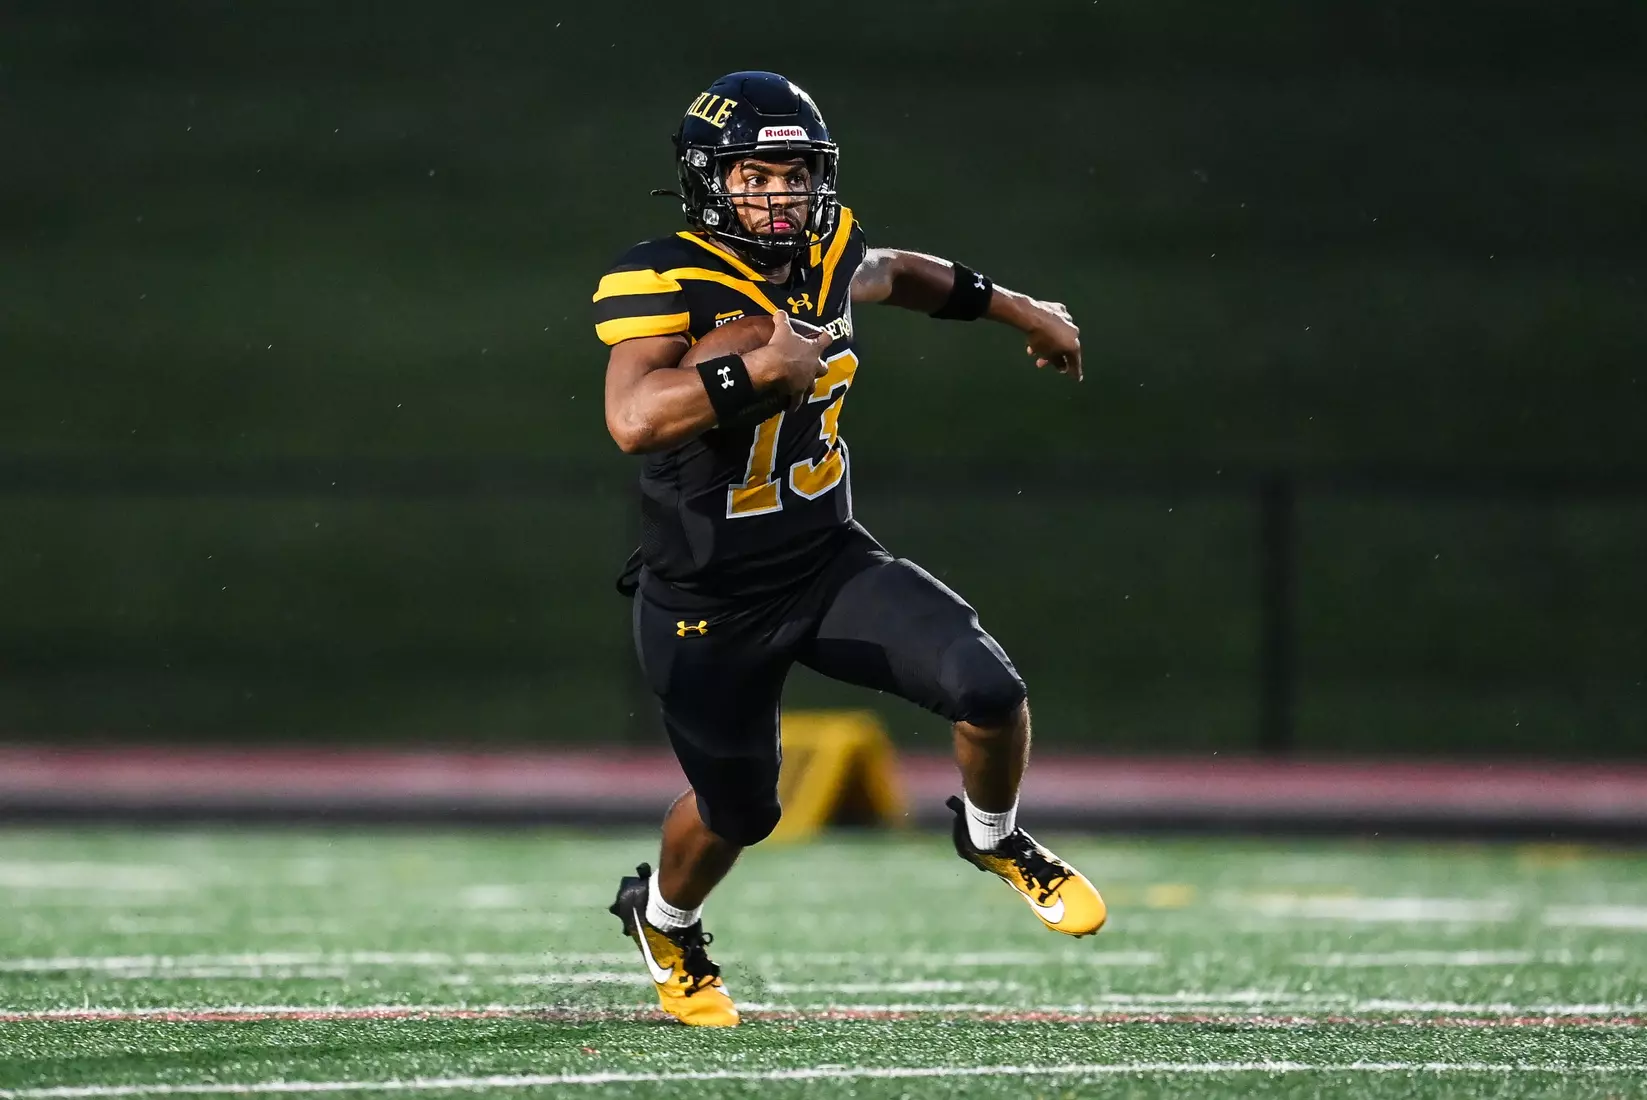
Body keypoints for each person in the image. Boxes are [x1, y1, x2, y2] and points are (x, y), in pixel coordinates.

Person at [594, 71, 1103, 1028]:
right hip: (705, 598)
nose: (780, 195)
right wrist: (756, 369)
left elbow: (896, 272)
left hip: (823, 561)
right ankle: (663, 920)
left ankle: (992, 836)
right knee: (740, 812)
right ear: (709, 181)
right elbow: (632, 418)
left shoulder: (827, 250)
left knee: (988, 691)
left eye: (794, 174)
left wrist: (1019, 307)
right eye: (754, 176)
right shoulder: (665, 276)